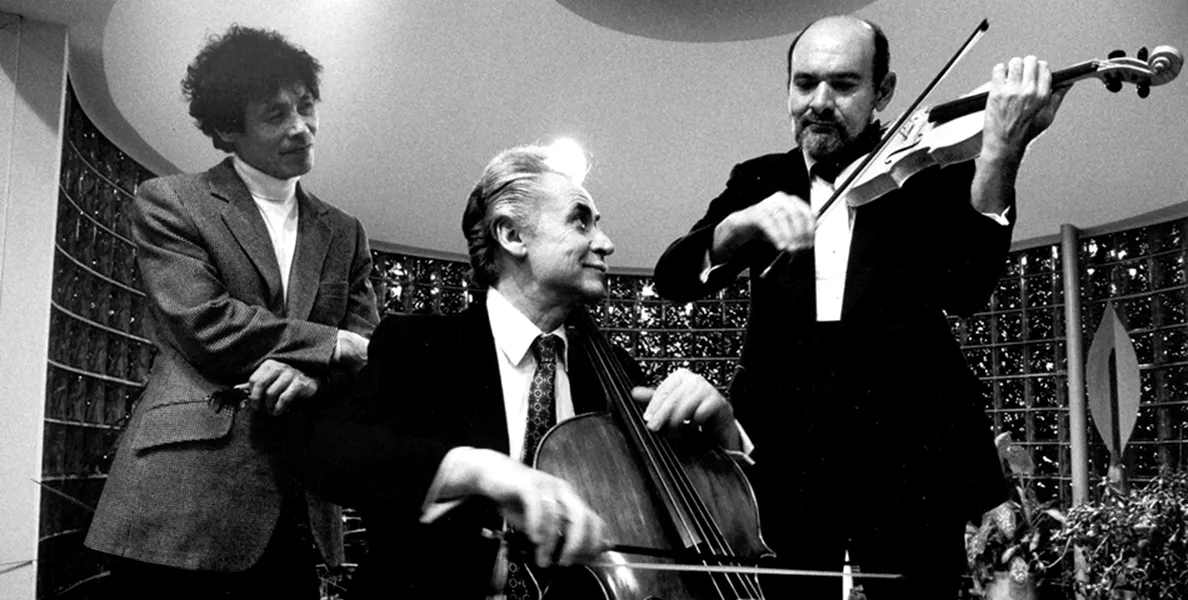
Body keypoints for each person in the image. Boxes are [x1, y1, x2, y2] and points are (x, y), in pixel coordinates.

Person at [652, 15, 1068, 599]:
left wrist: (1001, 151)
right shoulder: (759, 178)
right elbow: (673, 279)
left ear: (884, 92)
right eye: (805, 83)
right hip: (783, 453)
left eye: (844, 85)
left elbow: (968, 287)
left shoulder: (927, 170)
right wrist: (737, 226)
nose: (819, 102)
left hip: (908, 449)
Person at [302, 144, 751, 598]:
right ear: (513, 235)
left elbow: (694, 521)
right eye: (581, 221)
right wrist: (480, 470)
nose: (606, 243)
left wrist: (724, 436)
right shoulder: (418, 344)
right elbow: (329, 453)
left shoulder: (619, 374)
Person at [85, 25, 380, 599]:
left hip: (298, 499)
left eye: (306, 105)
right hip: (181, 499)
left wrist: (311, 373)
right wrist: (329, 346)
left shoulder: (345, 232)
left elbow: (366, 349)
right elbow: (206, 324)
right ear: (226, 130)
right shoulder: (171, 201)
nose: (301, 127)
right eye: (275, 114)